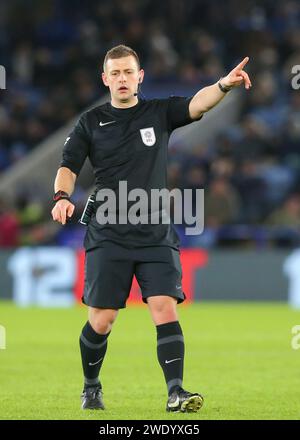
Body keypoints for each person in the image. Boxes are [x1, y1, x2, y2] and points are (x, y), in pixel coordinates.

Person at [51, 45, 251, 412]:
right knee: (103, 319)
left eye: (129, 72)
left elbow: (198, 104)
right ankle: (91, 385)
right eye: (116, 73)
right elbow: (68, 164)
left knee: (164, 307)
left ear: (140, 76)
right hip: (108, 231)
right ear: (106, 79)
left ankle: (176, 393)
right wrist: (62, 195)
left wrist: (223, 84)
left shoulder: (159, 112)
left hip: (155, 230)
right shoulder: (90, 122)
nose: (123, 79)